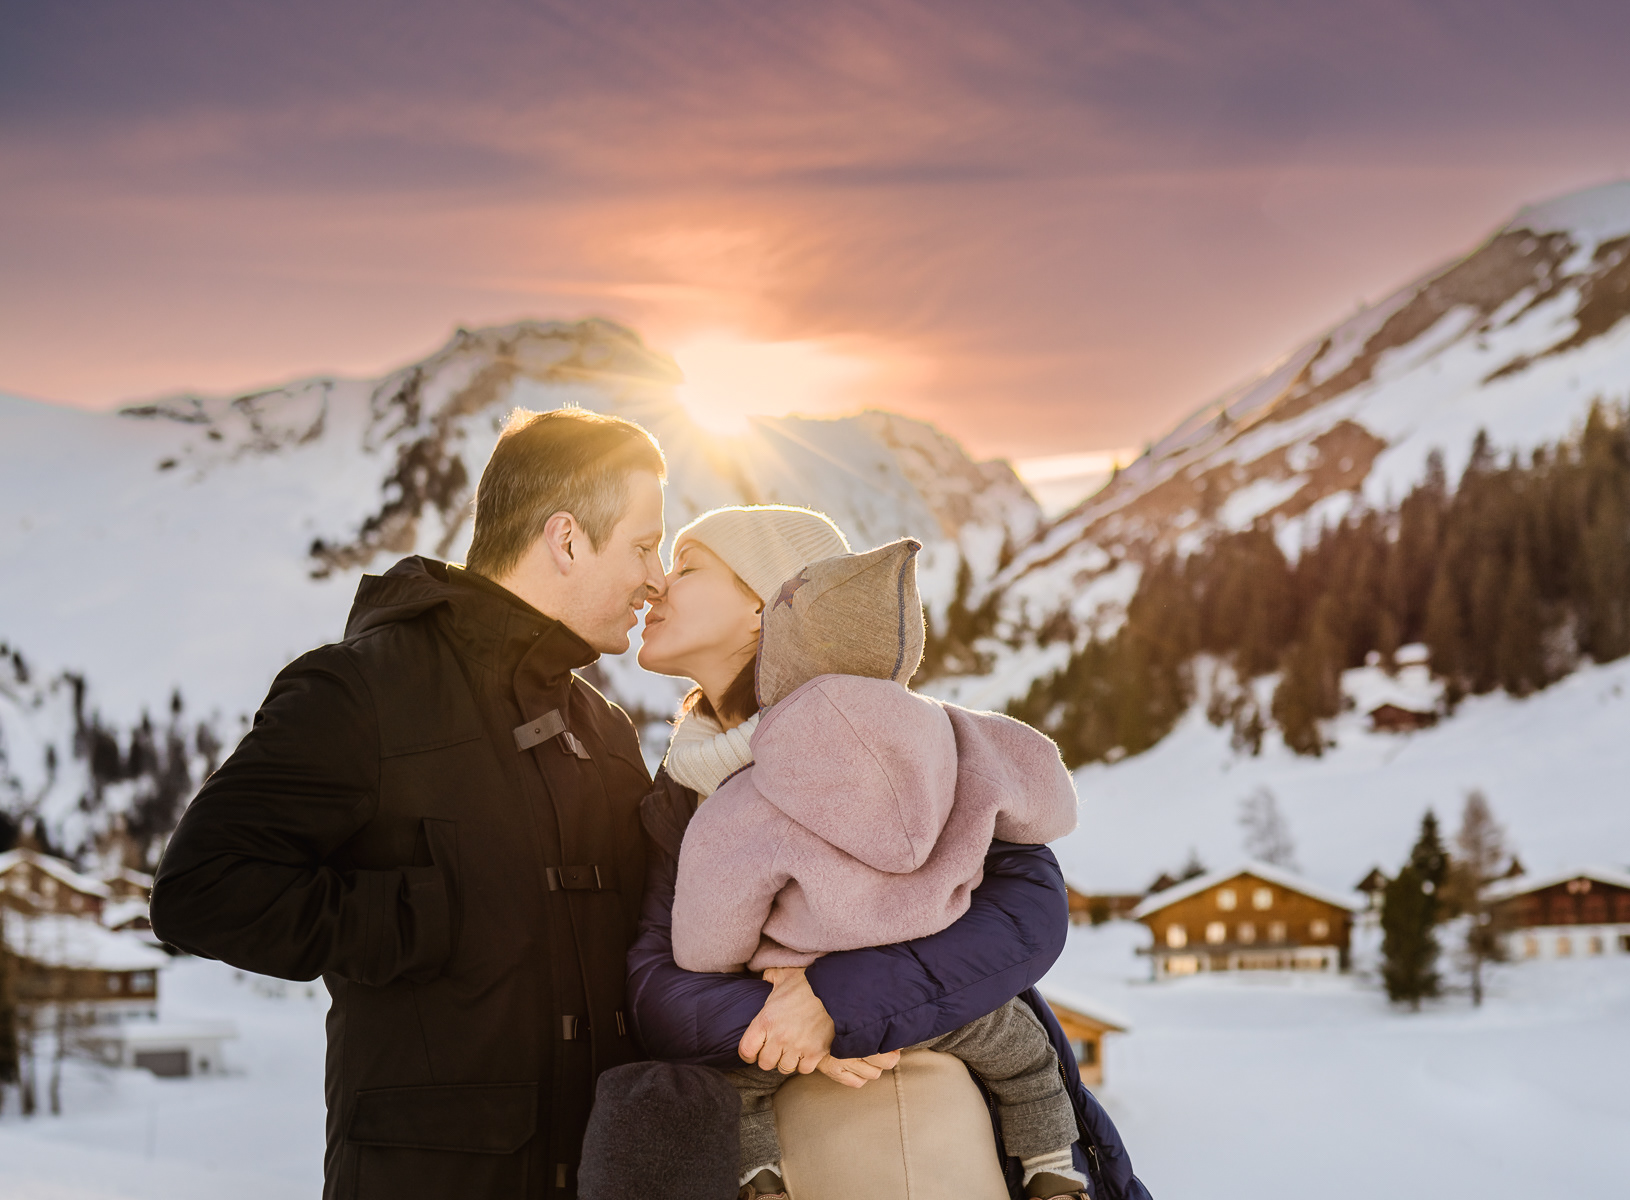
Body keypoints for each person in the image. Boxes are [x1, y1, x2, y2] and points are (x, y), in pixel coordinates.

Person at [149, 409, 1091, 1200]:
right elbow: (202, 889)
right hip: (435, 1174)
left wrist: (838, 1008)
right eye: (645, 547)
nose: (653, 579)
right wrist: (443, 913)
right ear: (567, 538)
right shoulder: (364, 690)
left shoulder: (599, 728)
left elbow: (659, 954)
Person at [627, 505, 1150, 1200]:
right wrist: (787, 1018)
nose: (656, 585)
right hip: (807, 1115)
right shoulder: (679, 793)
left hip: (936, 1128)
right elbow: (655, 986)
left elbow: (1028, 912)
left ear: (766, 606)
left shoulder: (905, 745)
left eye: (687, 566)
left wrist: (839, 1004)